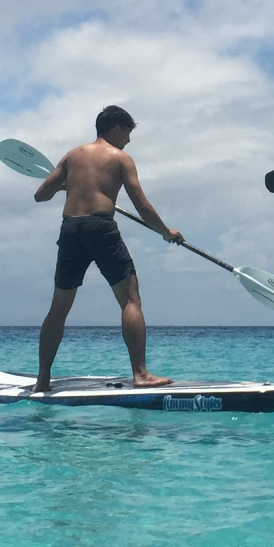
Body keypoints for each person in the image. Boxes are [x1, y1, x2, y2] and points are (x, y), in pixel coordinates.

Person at [31, 105, 183, 392]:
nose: (128, 140)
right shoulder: (121, 159)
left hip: (71, 229)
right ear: (115, 128)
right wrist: (166, 232)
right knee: (130, 300)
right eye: (127, 133)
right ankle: (140, 374)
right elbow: (142, 206)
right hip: (101, 227)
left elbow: (41, 195)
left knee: (59, 307)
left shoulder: (73, 155)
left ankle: (42, 380)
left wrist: (67, 187)